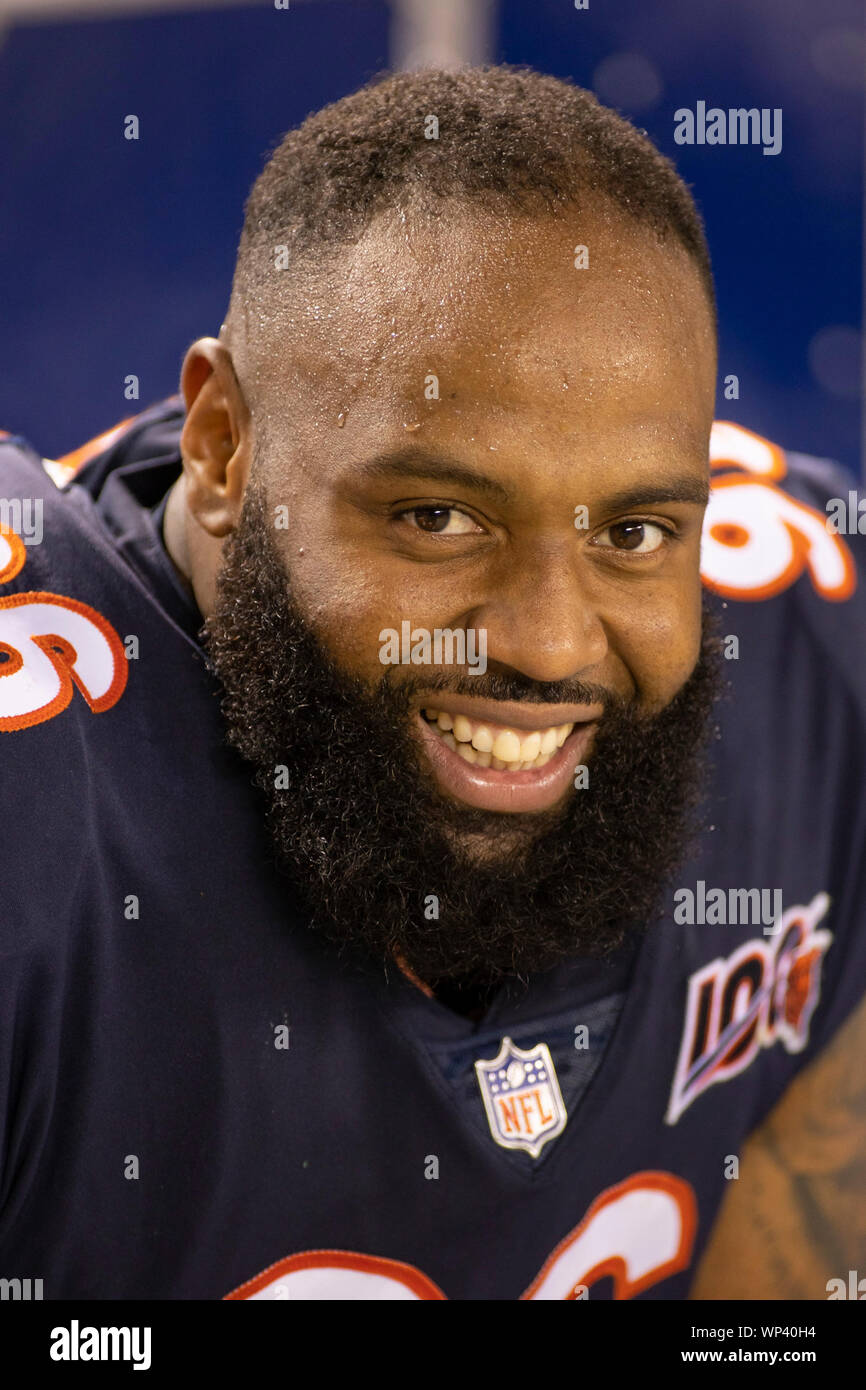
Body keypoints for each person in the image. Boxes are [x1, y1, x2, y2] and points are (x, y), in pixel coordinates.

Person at [1, 65, 863, 1301]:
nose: (552, 643)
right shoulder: (35, 805)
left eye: (632, 534)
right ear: (224, 450)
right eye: (438, 515)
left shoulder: (813, 649)